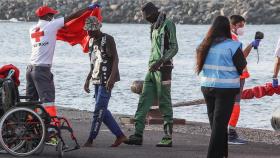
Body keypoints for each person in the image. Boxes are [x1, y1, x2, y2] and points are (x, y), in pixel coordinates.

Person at [27, 3, 99, 145]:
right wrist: (89, 8)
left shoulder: (32, 29)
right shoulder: (50, 25)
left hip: (29, 69)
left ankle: (30, 129)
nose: (53, 16)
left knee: (31, 102)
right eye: (51, 14)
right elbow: (73, 16)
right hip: (42, 70)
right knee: (49, 102)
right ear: (47, 16)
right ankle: (51, 134)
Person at [124, 2, 178, 147]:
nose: (145, 18)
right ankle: (137, 135)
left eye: (146, 16)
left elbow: (174, 47)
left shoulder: (168, 24)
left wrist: (160, 62)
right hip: (151, 70)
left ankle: (168, 137)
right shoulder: (153, 27)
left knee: (165, 102)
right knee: (143, 101)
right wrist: (153, 65)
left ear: (154, 12)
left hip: (164, 69)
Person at [196, 16, 247, 158]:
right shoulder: (233, 45)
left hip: (207, 86)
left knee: (216, 124)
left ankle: (223, 154)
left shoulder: (204, 44)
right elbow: (241, 65)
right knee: (219, 125)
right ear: (227, 28)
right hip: (226, 89)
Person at [82, 16, 127, 147]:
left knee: (98, 110)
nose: (88, 32)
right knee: (102, 110)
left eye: (90, 30)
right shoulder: (90, 41)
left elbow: (116, 59)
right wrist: (87, 79)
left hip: (106, 79)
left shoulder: (108, 39)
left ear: (97, 28)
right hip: (96, 79)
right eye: (87, 30)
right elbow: (93, 63)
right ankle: (120, 136)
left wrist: (112, 78)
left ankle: (91, 139)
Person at [228, 15, 261, 144]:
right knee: (236, 103)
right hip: (238, 75)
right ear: (234, 25)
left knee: (228, 103)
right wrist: (252, 45)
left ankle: (226, 131)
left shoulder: (224, 38)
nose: (242, 28)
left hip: (229, 75)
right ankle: (231, 133)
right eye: (241, 25)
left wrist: (252, 44)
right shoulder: (234, 38)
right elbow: (241, 57)